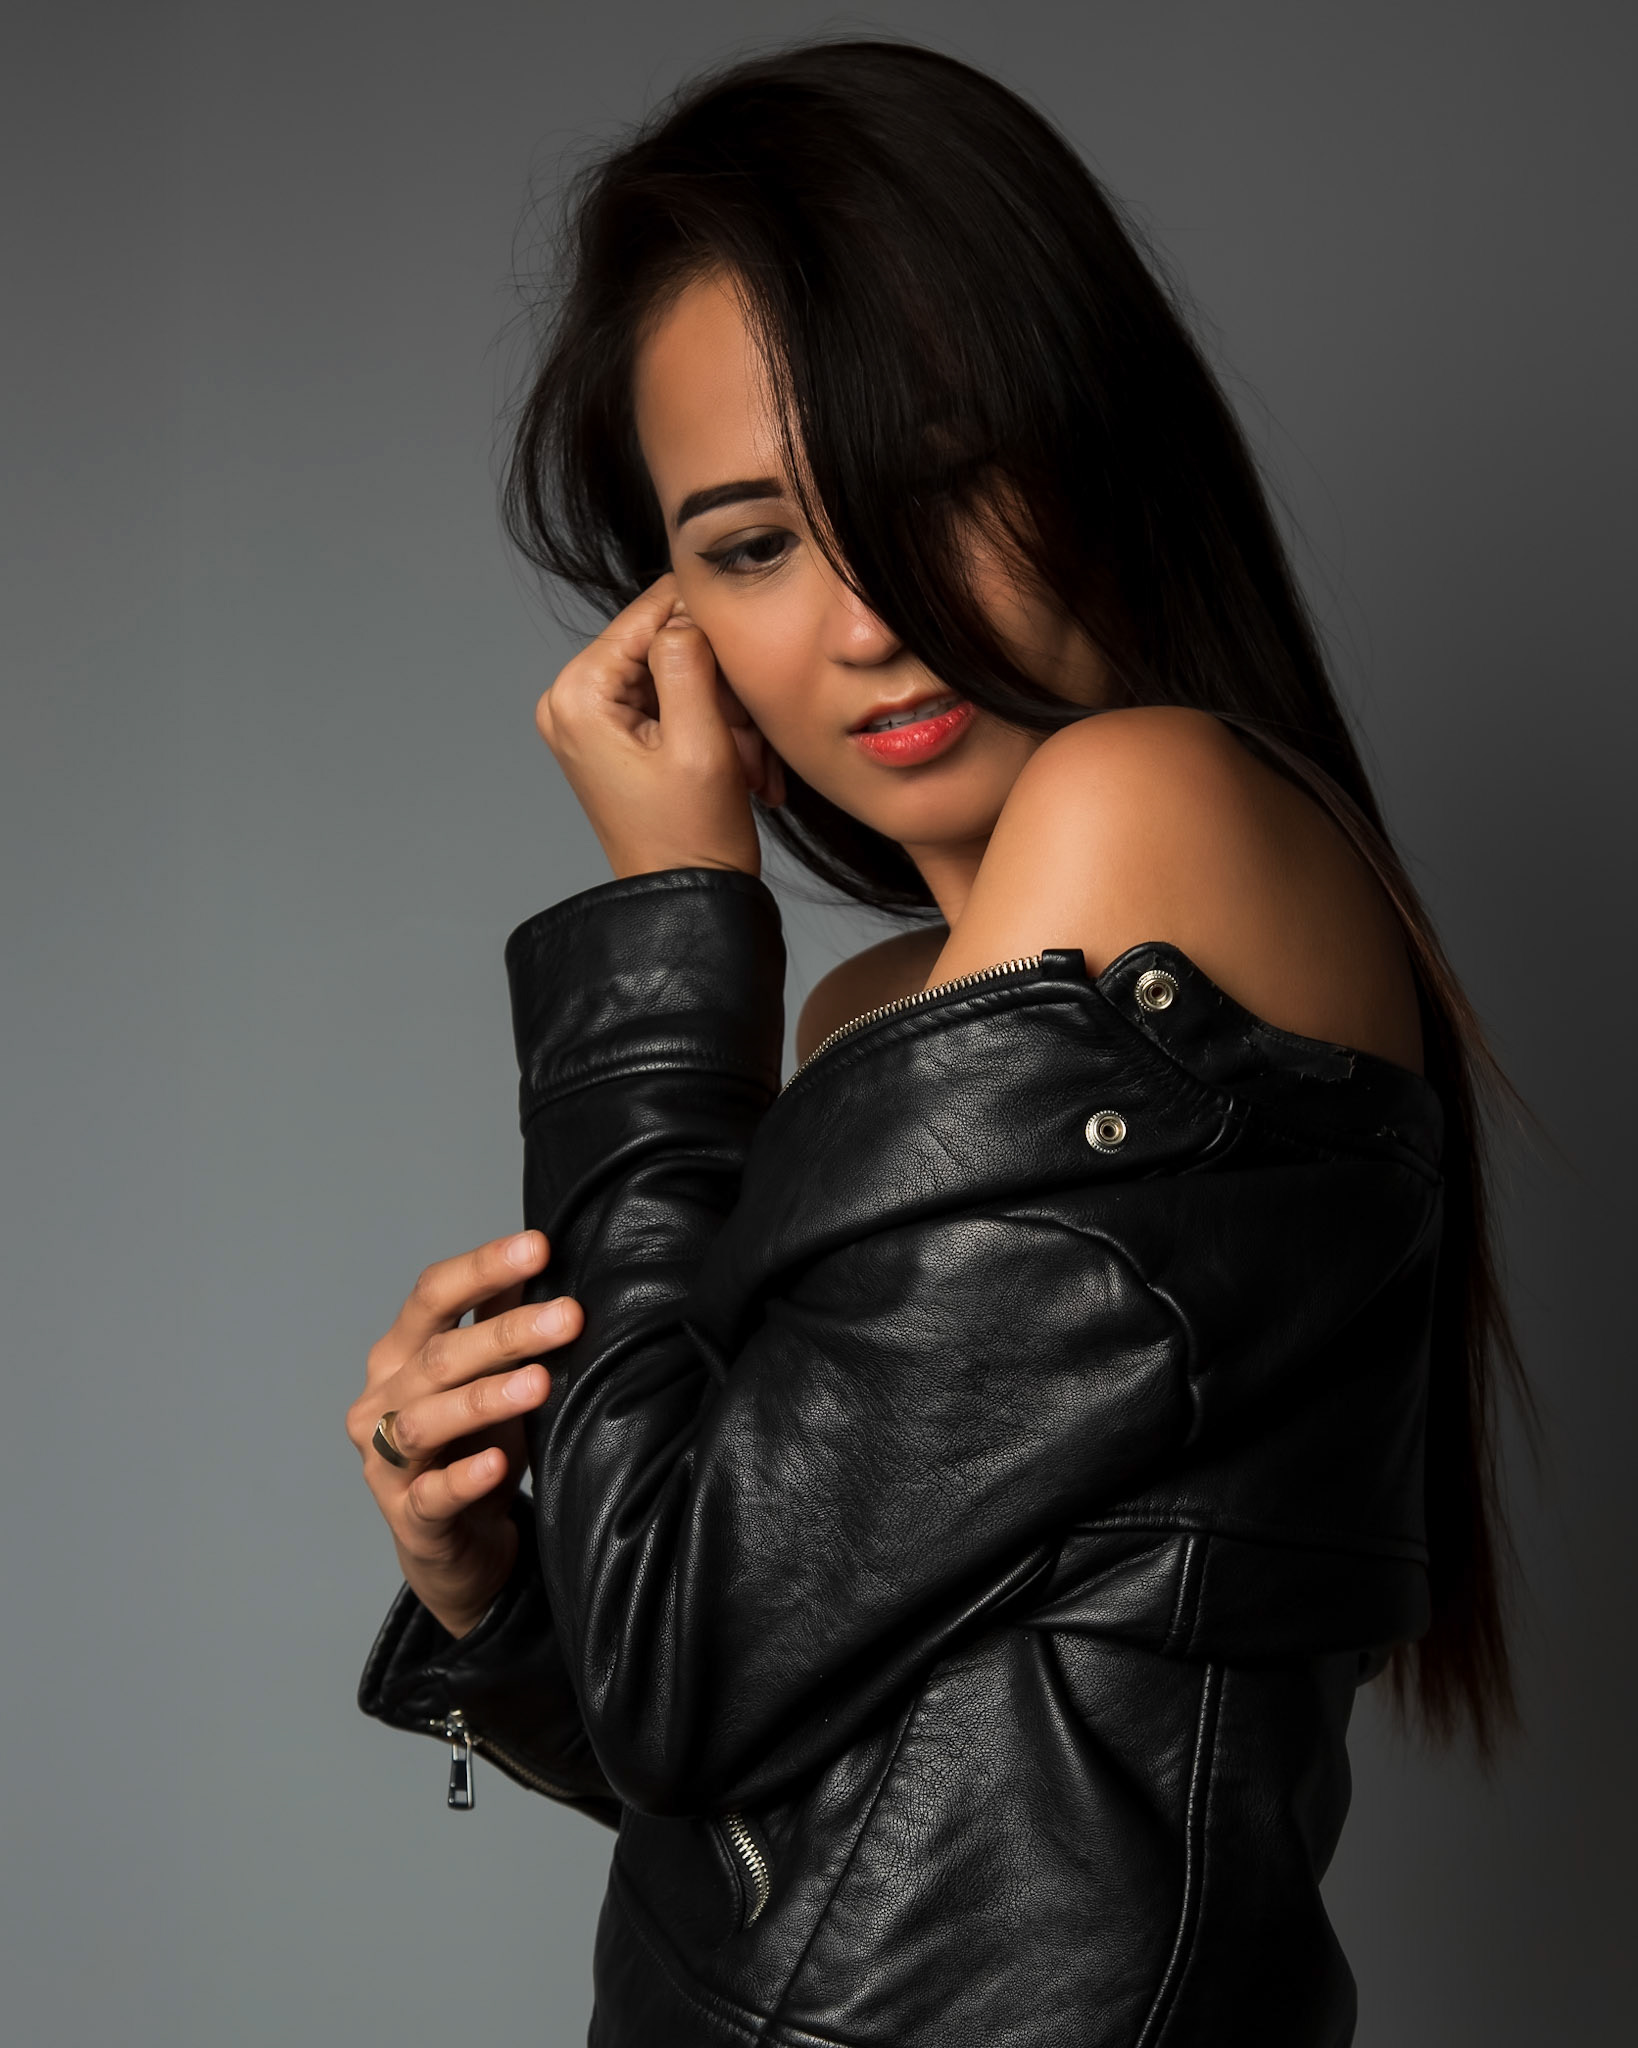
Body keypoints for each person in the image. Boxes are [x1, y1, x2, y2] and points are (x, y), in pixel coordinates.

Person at [346, 38, 1535, 2045]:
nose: (866, 617)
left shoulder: (1151, 813)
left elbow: (687, 1668)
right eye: (753, 543)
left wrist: (666, 930)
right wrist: (498, 1591)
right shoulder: (876, 1010)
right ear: (676, 615)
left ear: (1098, 447)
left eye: (938, 477)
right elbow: (785, 1775)